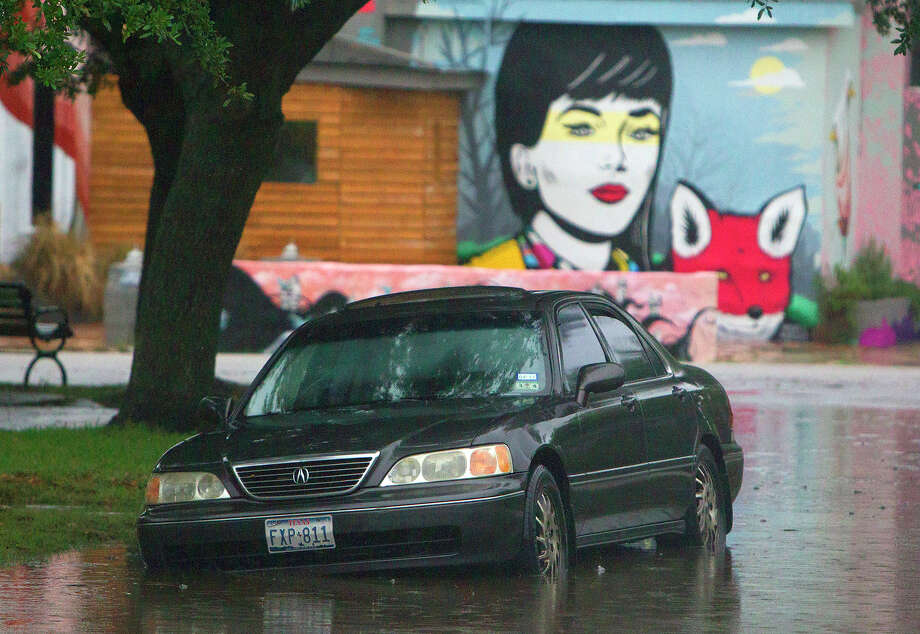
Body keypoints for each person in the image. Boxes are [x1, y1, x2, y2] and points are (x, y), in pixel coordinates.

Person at [468, 23, 672, 271]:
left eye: (640, 132)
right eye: (582, 129)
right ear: (523, 163)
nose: (618, 158)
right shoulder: (492, 277)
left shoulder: (637, 276)